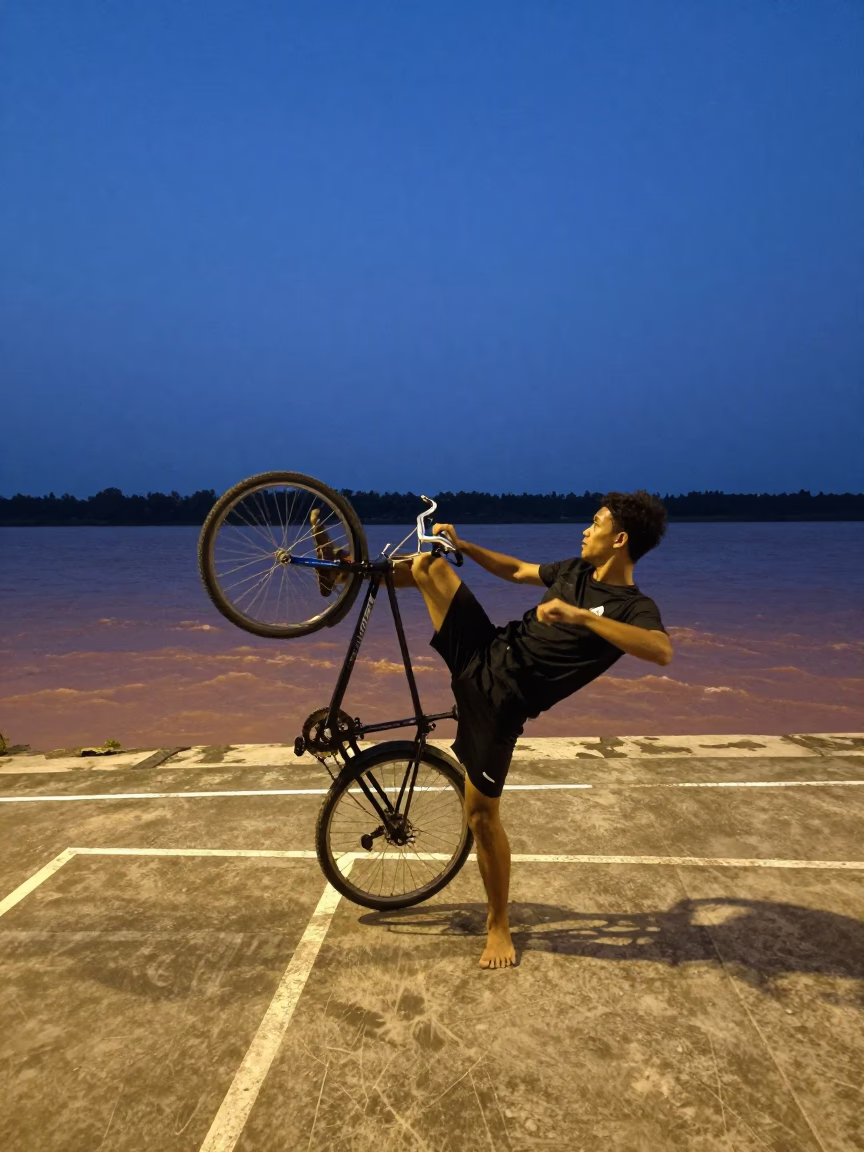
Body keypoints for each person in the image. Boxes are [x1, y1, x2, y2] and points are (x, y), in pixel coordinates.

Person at [312, 491, 672, 970]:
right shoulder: (574, 571)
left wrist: (580, 616)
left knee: (481, 817)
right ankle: (340, 572)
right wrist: (467, 547)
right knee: (428, 566)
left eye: (596, 523)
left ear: (620, 539)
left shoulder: (632, 606)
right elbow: (518, 571)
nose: (586, 530)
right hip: (484, 650)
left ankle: (498, 924)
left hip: (502, 705)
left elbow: (660, 650)